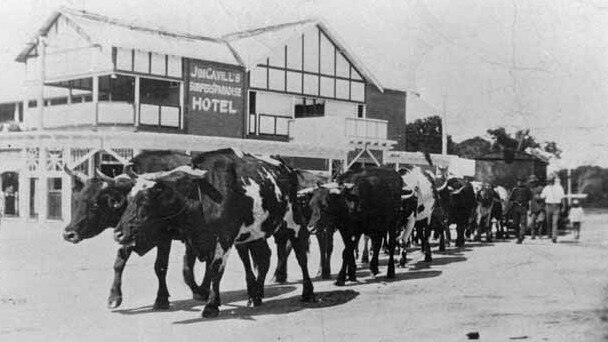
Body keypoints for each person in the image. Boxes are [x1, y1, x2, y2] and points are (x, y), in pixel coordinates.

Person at [540, 173, 565, 243]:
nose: (550, 182)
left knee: (555, 222)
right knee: (549, 222)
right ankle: (550, 234)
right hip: (548, 206)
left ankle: (554, 237)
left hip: (556, 206)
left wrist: (563, 206)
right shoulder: (546, 188)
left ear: (554, 180)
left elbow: (562, 198)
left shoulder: (559, 188)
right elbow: (542, 196)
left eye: (551, 180)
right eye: (549, 180)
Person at [508, 176, 532, 244]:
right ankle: (518, 235)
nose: (519, 182)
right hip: (516, 207)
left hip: (523, 207)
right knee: (515, 223)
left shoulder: (527, 189)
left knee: (523, 223)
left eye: (521, 181)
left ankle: (521, 236)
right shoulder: (515, 189)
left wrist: (530, 209)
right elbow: (511, 199)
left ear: (523, 182)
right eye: (518, 181)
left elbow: (530, 199)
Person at [528, 175, 544, 239]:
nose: (532, 183)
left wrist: (539, 197)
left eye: (533, 182)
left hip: (540, 207)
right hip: (533, 208)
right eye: (531, 182)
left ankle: (540, 233)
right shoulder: (529, 189)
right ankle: (533, 234)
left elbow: (544, 196)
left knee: (540, 221)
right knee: (532, 222)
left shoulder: (540, 188)